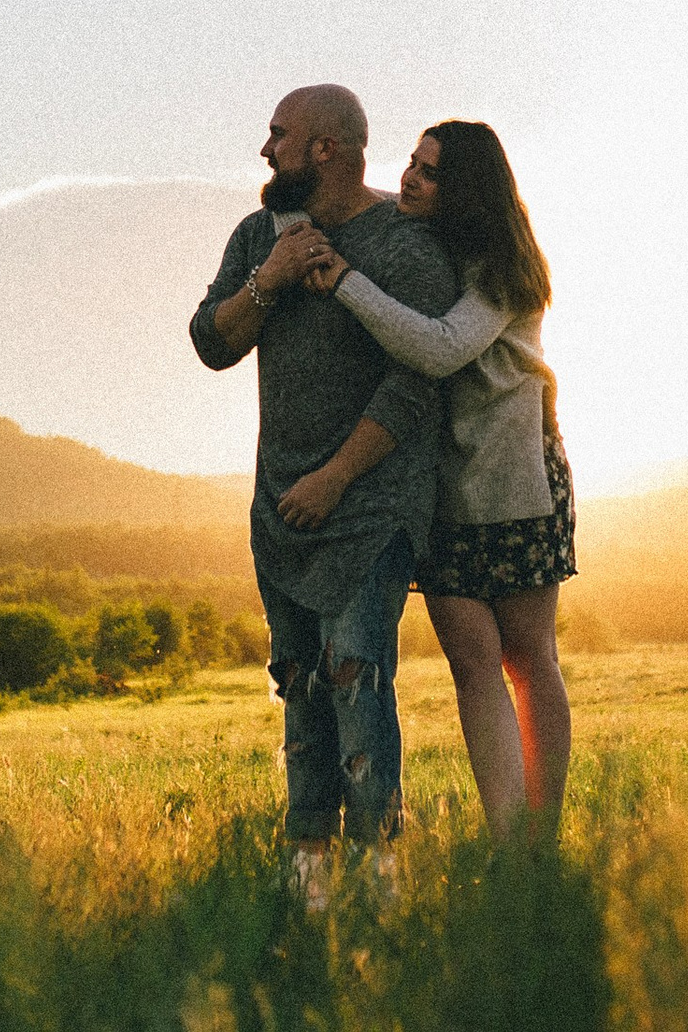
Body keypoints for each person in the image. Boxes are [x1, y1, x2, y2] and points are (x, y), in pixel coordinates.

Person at [190, 84, 456, 908]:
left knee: (355, 676)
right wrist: (268, 281)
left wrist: (336, 478)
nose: (264, 149)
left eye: (279, 135)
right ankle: (312, 891)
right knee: (299, 685)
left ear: (325, 150)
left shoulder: (404, 243)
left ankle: (383, 887)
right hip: (280, 510)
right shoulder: (256, 236)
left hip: (370, 505)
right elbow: (210, 343)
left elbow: (418, 387)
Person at [303, 120, 575, 839]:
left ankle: (540, 839)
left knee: (528, 657)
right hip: (446, 495)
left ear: (466, 191)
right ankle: (507, 837)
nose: (411, 178)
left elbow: (440, 348)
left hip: (516, 485)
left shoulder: (501, 267)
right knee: (474, 666)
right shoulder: (420, 245)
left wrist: (347, 283)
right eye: (413, 164)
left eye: (430, 172)